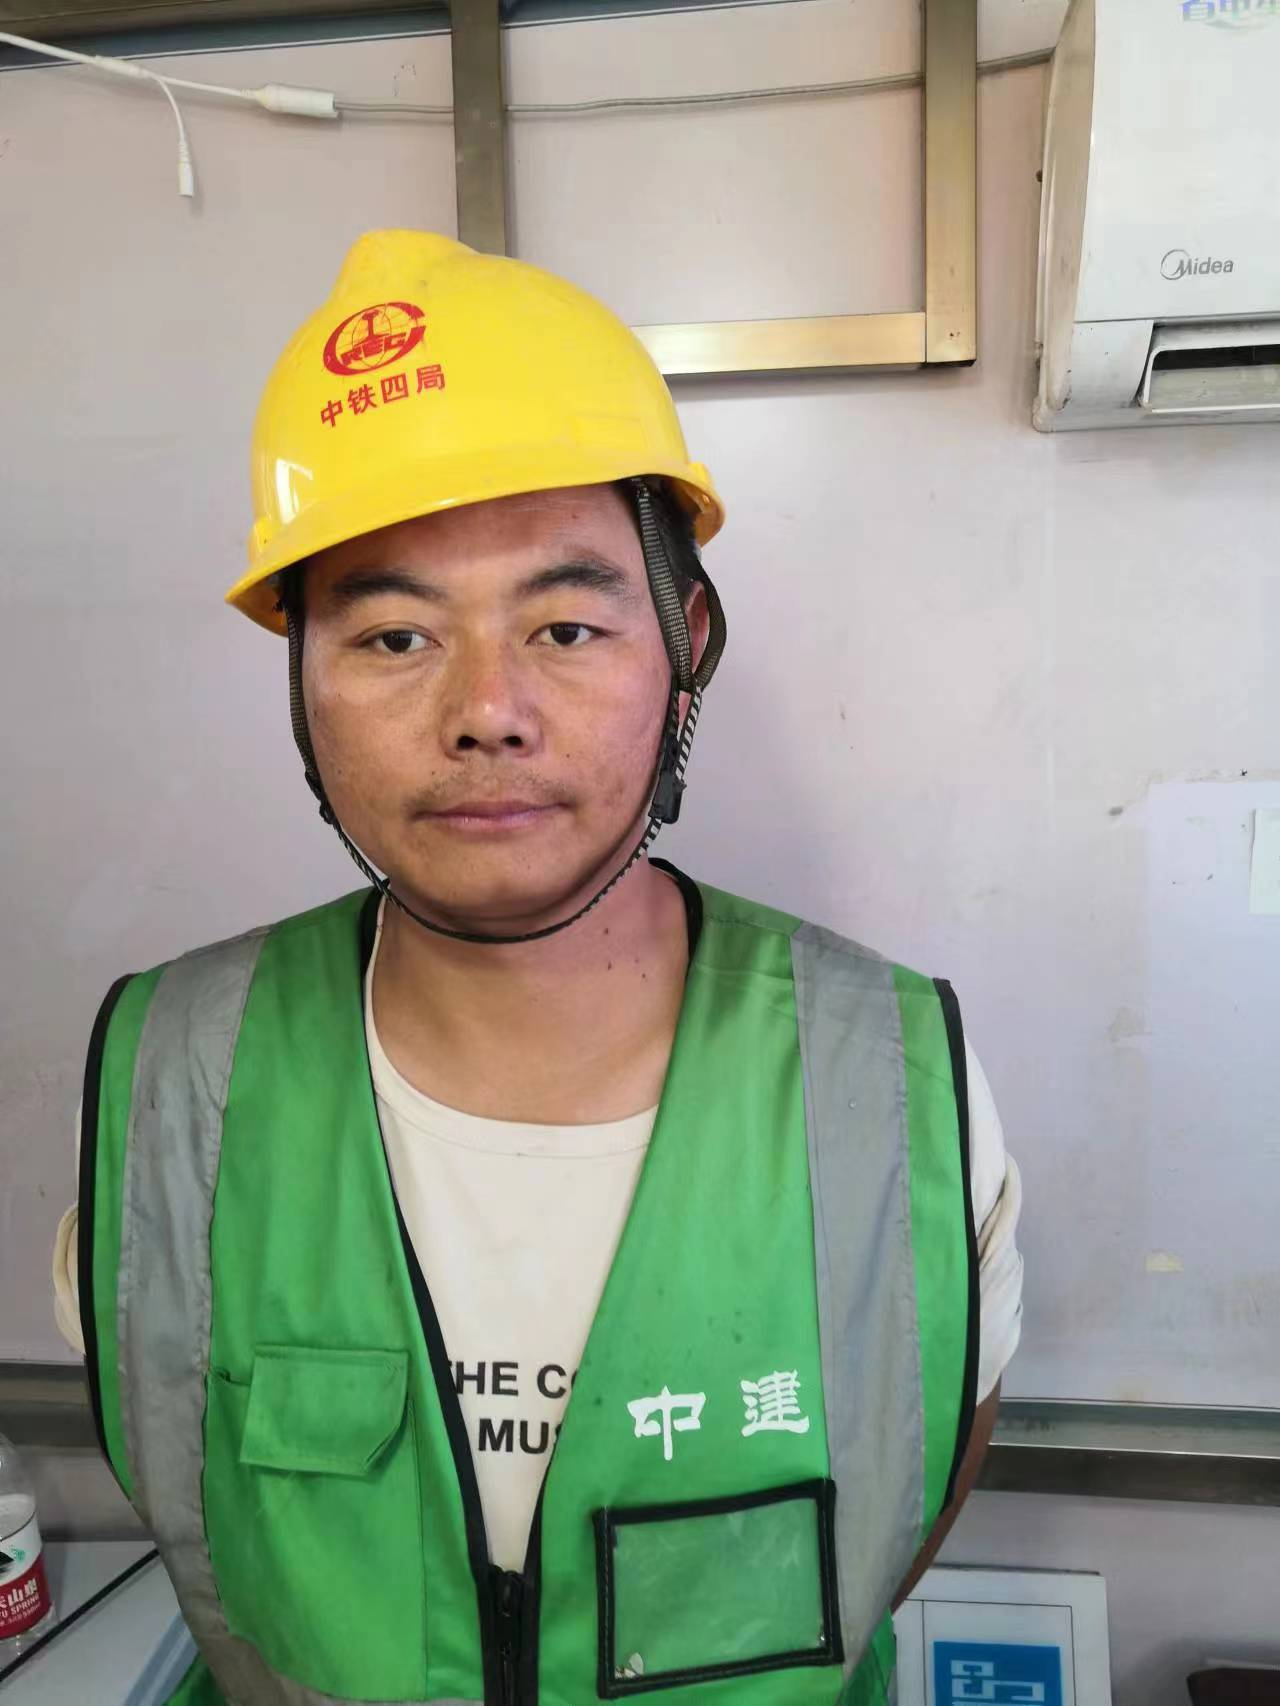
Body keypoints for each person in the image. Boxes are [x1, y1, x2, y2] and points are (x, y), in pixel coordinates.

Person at [52, 229, 1023, 1706]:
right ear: (299, 681)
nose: (486, 709)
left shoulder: (894, 1091)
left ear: (686, 645)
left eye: (565, 625)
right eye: (394, 636)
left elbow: (905, 1509)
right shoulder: (169, 1088)